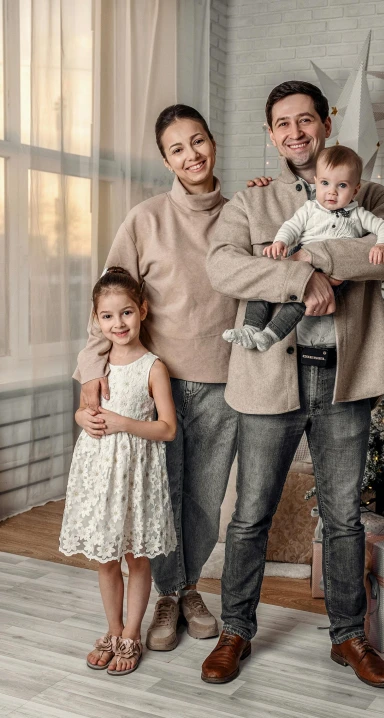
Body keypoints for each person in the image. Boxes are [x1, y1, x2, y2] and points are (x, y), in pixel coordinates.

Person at [204, 81, 384, 688]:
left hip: (344, 381)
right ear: (271, 136)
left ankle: (349, 637)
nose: (295, 132)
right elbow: (222, 265)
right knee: (250, 515)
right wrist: (299, 282)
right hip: (271, 376)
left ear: (326, 123)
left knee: (344, 516)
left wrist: (309, 262)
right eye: (282, 124)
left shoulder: (371, 193)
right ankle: (234, 630)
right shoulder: (252, 200)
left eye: (305, 120)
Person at [73, 105, 240, 652]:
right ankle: (168, 594)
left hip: (222, 383)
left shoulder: (242, 214)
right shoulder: (144, 220)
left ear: (213, 143)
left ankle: (188, 588)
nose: (191, 155)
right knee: (159, 498)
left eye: (198, 141)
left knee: (204, 499)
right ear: (165, 159)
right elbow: (110, 298)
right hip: (155, 387)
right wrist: (88, 378)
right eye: (177, 148)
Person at [60, 268, 177, 675]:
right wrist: (81, 419)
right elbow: (83, 409)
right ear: (97, 320)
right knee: (106, 557)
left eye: (126, 313)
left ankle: (131, 632)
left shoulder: (153, 367)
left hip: (136, 472)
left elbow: (167, 427)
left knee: (135, 555)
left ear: (142, 310)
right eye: (107, 317)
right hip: (99, 472)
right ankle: (111, 630)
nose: (118, 324)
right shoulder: (96, 366)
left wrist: (124, 423)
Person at [223, 144, 384, 352]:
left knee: (299, 302)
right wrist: (280, 242)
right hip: (297, 253)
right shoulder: (310, 208)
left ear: (355, 189)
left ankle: (271, 334)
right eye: (325, 183)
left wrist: (382, 245)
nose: (331, 192)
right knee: (266, 280)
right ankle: (251, 327)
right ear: (316, 183)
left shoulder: (359, 214)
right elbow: (292, 226)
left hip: (332, 271)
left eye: (342, 186)